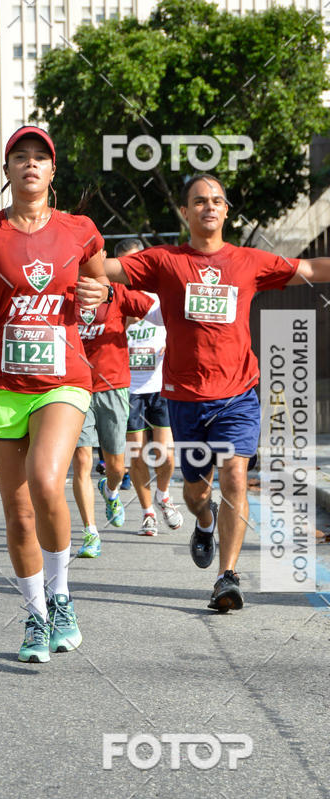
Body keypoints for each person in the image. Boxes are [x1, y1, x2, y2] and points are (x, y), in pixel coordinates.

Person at [105, 173, 330, 612]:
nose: (209, 206)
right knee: (195, 494)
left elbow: (308, 269)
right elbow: (109, 268)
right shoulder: (164, 261)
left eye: (216, 200)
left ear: (226, 211)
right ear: (185, 212)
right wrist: (68, 255)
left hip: (239, 394)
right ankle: (204, 524)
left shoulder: (248, 261)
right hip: (186, 400)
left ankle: (227, 577)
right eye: (199, 201)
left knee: (235, 477)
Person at [0, 125, 109, 662]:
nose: (30, 164)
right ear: (8, 170)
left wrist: (97, 295)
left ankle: (62, 598)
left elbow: (98, 303)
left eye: (40, 157)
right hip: (1, 383)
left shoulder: (81, 230)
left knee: (44, 478)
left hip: (63, 378)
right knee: (17, 512)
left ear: (52, 171)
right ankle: (36, 616)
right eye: (20, 157)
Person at [72, 249, 153, 558]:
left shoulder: (116, 291)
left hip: (113, 386)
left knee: (117, 466)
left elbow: (155, 310)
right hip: (74, 388)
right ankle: (90, 532)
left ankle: (111, 490)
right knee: (81, 461)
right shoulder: (65, 292)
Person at [115, 238, 183, 537]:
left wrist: (170, 348)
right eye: (125, 263)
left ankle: (164, 493)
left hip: (160, 384)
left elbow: (179, 328)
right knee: (137, 454)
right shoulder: (116, 296)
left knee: (166, 454)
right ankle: (147, 513)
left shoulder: (160, 293)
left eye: (136, 260)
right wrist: (127, 319)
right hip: (128, 387)